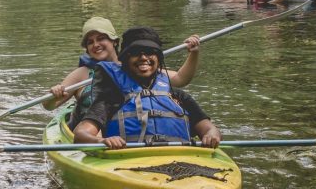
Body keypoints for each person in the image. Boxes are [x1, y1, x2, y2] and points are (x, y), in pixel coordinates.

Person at [73, 26, 222, 149]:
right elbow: (81, 134)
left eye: (150, 52)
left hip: (179, 158)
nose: (144, 58)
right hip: (129, 161)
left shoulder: (178, 97)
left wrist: (212, 135)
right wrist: (101, 141)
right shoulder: (111, 97)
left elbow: (209, 128)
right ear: (125, 60)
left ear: (158, 58)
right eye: (136, 53)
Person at [45, 17, 201, 123]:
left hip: (128, 129)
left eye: (101, 38)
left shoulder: (134, 66)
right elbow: (49, 105)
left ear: (114, 41)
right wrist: (54, 94)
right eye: (90, 42)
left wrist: (193, 53)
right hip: (92, 132)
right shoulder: (82, 74)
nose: (95, 45)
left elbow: (181, 79)